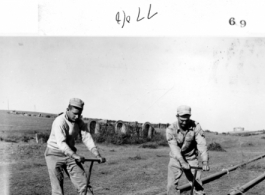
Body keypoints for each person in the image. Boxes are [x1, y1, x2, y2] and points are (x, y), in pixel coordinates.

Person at [44, 98, 106, 195]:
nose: (77, 116)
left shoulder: (79, 122)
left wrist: (97, 154)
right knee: (57, 190)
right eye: (74, 113)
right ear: (67, 109)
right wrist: (75, 155)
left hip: (70, 155)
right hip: (54, 154)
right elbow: (61, 143)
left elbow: (87, 138)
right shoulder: (60, 121)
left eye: (79, 114)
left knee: (84, 186)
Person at [166, 105, 210, 195]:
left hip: (191, 158)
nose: (184, 123)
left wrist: (205, 162)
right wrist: (182, 162)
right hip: (176, 158)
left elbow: (202, 144)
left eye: (187, 120)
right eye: (182, 120)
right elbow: (174, 148)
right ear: (177, 116)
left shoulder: (196, 126)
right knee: (171, 187)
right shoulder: (170, 129)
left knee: (197, 186)